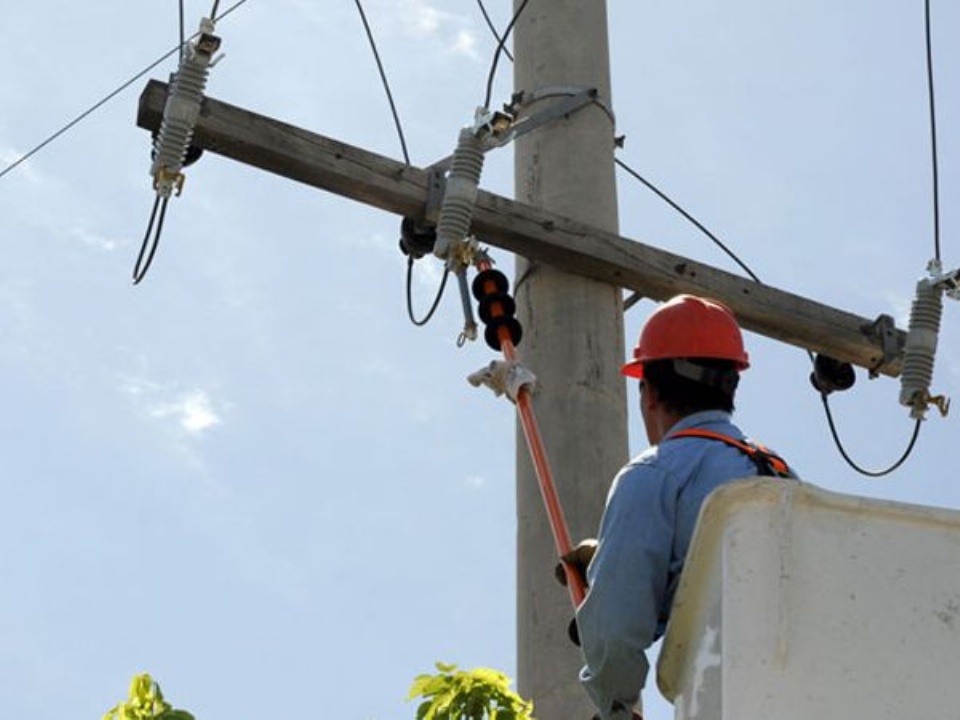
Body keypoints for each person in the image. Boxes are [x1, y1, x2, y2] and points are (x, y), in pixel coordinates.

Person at [567, 294, 794, 720]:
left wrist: (615, 706)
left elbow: (615, 634)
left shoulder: (652, 476)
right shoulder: (781, 475)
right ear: (730, 388)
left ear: (648, 393)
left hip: (723, 695)